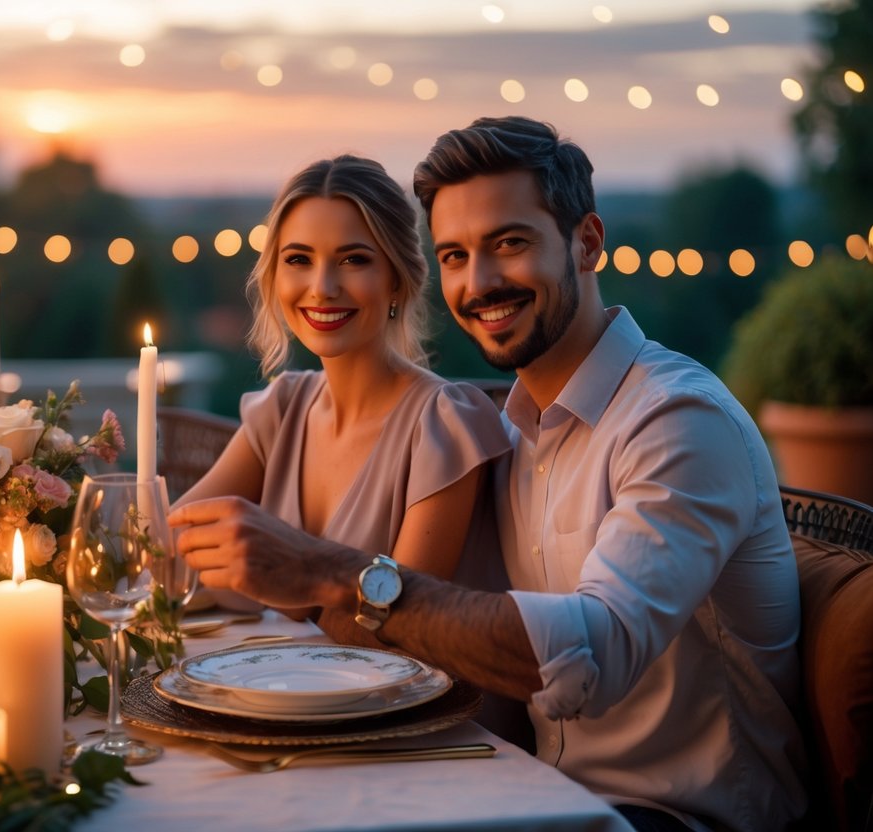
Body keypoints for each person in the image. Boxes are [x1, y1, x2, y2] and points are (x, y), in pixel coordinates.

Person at [171, 118, 805, 832]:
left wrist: (329, 571)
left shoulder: (676, 421)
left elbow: (589, 657)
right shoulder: (513, 432)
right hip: (537, 790)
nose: (479, 282)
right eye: (454, 254)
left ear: (587, 241)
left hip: (677, 816)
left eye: (509, 243)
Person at [175, 154, 509, 613]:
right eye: (299, 259)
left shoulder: (445, 424)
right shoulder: (282, 409)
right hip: (271, 681)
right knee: (129, 685)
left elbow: (404, 623)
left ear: (397, 278)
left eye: (353, 259)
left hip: (398, 687)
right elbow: (162, 552)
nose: (322, 287)